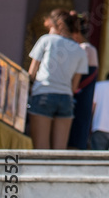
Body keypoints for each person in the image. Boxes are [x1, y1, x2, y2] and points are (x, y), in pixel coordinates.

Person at [28, 9, 89, 150]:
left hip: (43, 93)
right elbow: (74, 87)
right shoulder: (80, 51)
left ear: (59, 25)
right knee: (59, 151)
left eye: (50, 27)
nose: (49, 31)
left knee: (41, 149)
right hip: (66, 98)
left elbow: (32, 72)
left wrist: (29, 89)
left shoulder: (46, 40)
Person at [67, 12, 99, 149]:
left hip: (80, 97)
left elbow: (79, 75)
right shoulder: (89, 48)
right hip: (83, 97)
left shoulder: (84, 49)